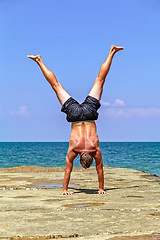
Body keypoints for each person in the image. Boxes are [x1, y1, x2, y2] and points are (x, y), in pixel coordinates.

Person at [27, 45, 123, 195]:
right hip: (74, 116)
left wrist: (101, 188)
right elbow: (68, 170)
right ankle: (39, 61)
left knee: (100, 80)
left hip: (89, 114)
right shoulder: (74, 150)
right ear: (80, 159)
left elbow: (100, 169)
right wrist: (65, 189)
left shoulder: (95, 150)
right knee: (56, 86)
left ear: (90, 157)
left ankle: (112, 51)